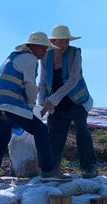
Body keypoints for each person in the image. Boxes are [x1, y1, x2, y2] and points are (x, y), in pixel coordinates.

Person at [0, 31, 57, 182]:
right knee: (41, 130)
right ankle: (47, 171)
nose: (45, 52)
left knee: (3, 138)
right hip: (8, 105)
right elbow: (30, 85)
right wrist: (31, 105)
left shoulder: (12, 57)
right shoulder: (30, 59)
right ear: (34, 46)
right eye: (44, 48)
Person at [38, 25, 98, 178]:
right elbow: (43, 81)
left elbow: (73, 79)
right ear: (52, 42)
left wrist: (52, 100)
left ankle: (89, 167)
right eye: (60, 41)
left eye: (66, 41)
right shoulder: (46, 57)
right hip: (57, 104)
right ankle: (51, 169)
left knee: (81, 129)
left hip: (76, 100)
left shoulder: (75, 53)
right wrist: (42, 103)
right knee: (54, 135)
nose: (64, 45)